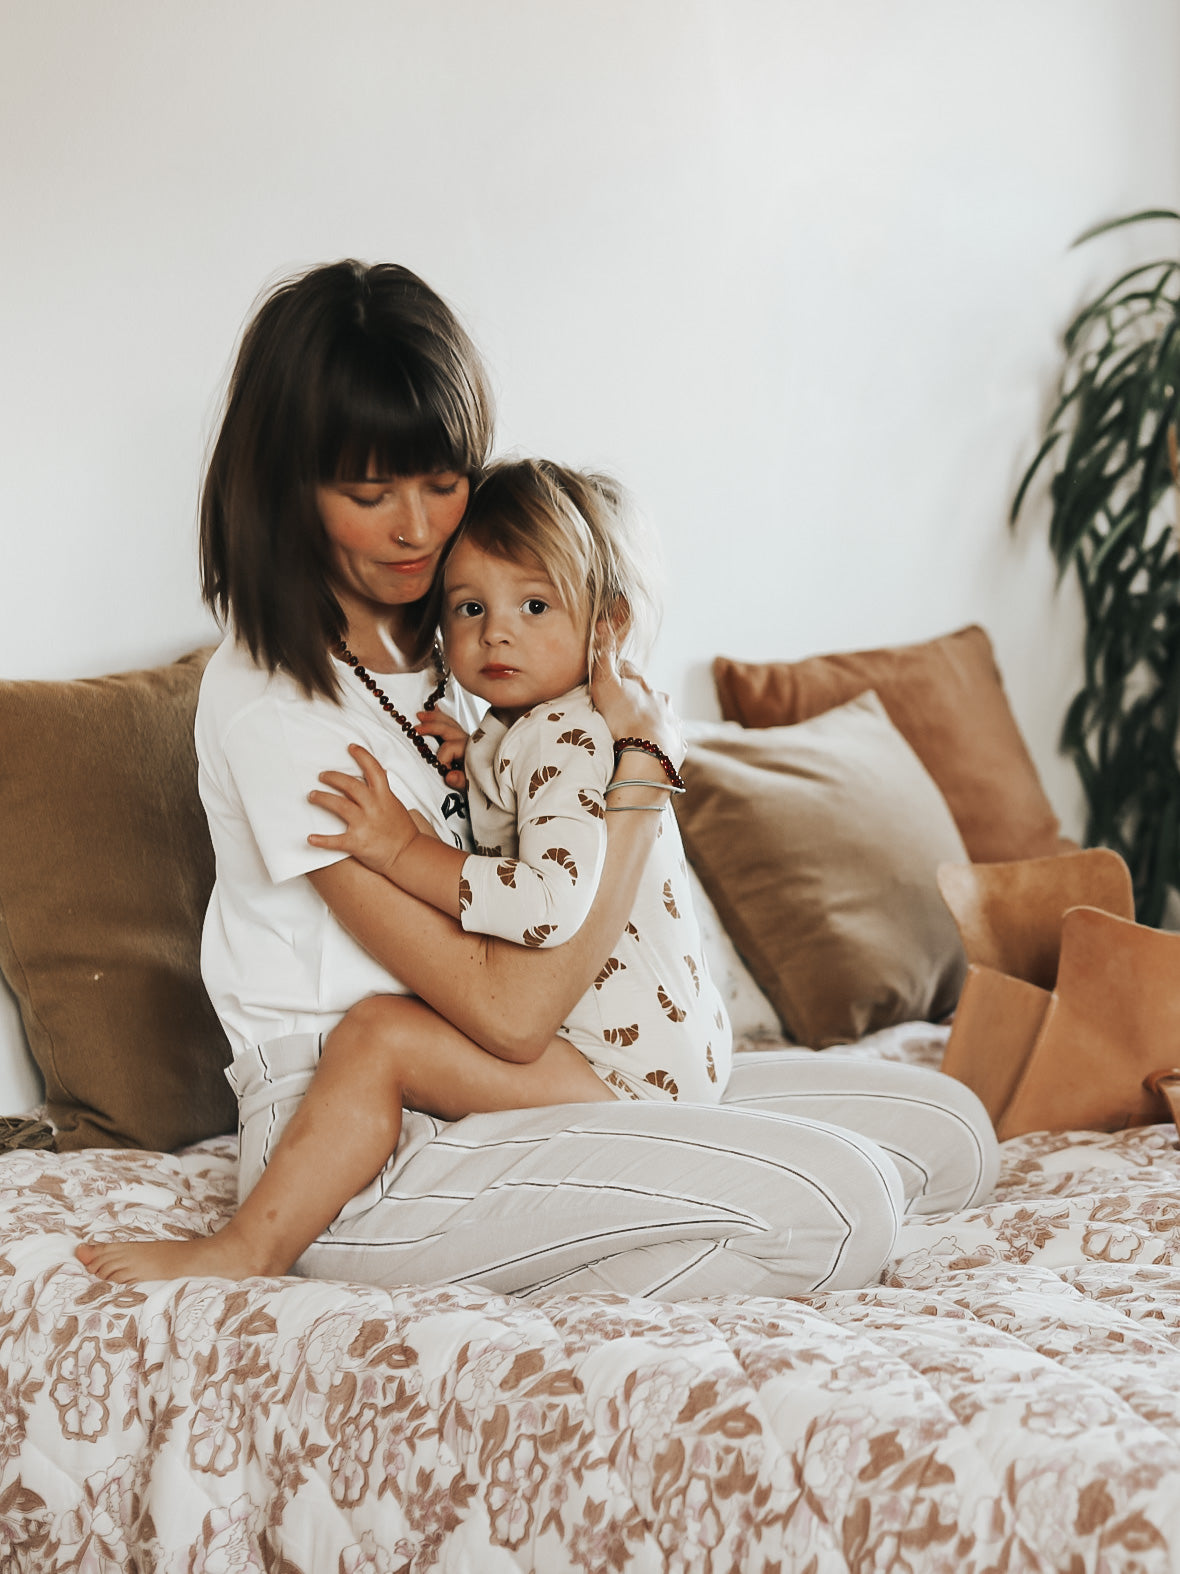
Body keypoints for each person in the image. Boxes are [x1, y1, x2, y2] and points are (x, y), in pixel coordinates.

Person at [77, 259, 997, 1298]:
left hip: (520, 1076)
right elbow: (507, 1006)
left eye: (440, 480)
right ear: (286, 490)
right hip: (365, 1142)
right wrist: (644, 776)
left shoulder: (467, 639)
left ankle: (599, 1246)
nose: (417, 529)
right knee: (847, 1199)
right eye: (368, 492)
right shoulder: (276, 707)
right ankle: (549, 1302)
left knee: (949, 1128)